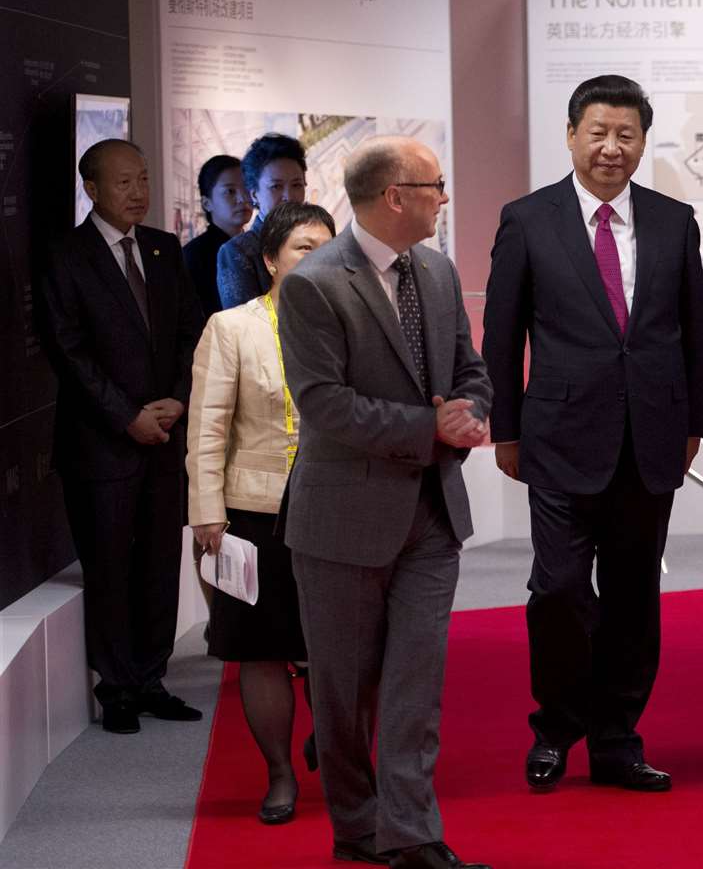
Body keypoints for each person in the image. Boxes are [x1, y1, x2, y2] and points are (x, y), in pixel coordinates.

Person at [484, 75, 703, 796]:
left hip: (649, 439)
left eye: (627, 135)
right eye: (599, 132)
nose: (612, 148)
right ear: (571, 134)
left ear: (643, 142)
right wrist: (506, 429)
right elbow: (501, 332)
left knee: (633, 595)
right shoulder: (528, 219)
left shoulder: (675, 220)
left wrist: (694, 422)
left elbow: (694, 333)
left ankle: (618, 738)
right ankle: (555, 728)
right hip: (555, 437)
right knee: (555, 590)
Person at [277, 137, 492, 869]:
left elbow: (469, 365)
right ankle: (356, 826)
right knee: (343, 693)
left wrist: (470, 411)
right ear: (395, 195)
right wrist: (425, 428)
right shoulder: (314, 283)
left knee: (414, 686)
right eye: (436, 184)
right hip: (341, 523)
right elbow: (323, 404)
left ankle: (412, 835)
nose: (445, 196)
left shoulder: (435, 270)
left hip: (432, 514)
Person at [39, 139, 204, 734]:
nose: (139, 192)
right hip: (101, 443)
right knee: (110, 567)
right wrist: (127, 415)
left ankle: (152, 677)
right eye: (124, 183)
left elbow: (191, 332)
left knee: (160, 563)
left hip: (165, 434)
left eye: (143, 179)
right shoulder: (65, 254)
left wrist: (177, 402)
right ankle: (117, 689)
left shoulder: (163, 248)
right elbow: (68, 350)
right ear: (91, 189)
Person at [189, 201, 336, 825]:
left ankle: (336, 745)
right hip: (255, 512)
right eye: (304, 247)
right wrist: (206, 512)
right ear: (271, 259)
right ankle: (279, 774)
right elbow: (206, 430)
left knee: (343, 648)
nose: (319, 258)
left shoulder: (353, 323)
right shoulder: (233, 328)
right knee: (261, 650)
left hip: (340, 509)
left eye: (329, 247)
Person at [218, 133, 308, 309]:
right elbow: (244, 325)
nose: (289, 196)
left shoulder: (318, 243)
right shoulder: (239, 251)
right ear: (254, 194)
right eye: (276, 186)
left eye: (296, 185)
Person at [183, 154, 252, 317]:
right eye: (230, 191)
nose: (243, 199)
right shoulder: (195, 256)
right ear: (207, 203)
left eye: (247, 188)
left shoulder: (255, 245)